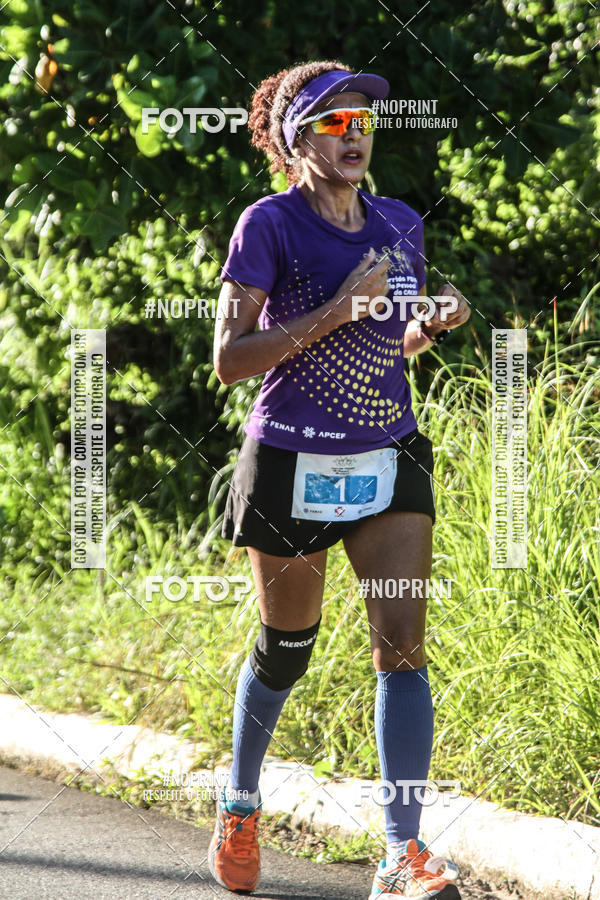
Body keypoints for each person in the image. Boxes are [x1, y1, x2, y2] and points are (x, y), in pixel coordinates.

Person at [209, 59, 470, 899]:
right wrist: (333, 311)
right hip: (289, 460)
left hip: (386, 455)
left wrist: (426, 324)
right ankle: (241, 800)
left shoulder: (398, 222)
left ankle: (401, 852)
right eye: (331, 121)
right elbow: (228, 361)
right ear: (296, 140)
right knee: (287, 649)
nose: (353, 132)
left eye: (362, 119)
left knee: (402, 648)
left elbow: (386, 342)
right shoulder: (268, 225)